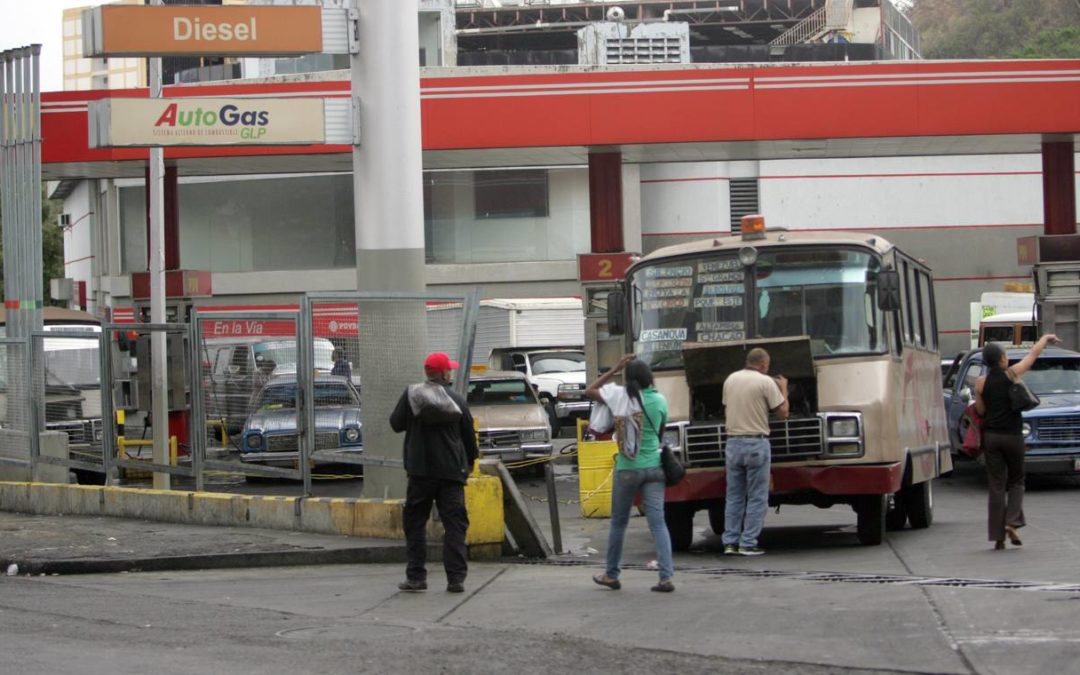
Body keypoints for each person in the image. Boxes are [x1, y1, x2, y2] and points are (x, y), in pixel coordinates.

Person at [389, 351, 479, 593]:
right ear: (444, 373)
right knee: (455, 524)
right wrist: (469, 462)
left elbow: (395, 424)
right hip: (451, 472)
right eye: (449, 369)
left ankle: (416, 577)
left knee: (415, 523)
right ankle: (456, 579)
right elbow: (469, 438)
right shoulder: (457, 400)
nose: (451, 372)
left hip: (420, 471)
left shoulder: (412, 395)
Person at [586, 354, 675, 593]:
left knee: (619, 523)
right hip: (655, 468)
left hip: (627, 468)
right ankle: (665, 577)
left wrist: (615, 367)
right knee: (658, 524)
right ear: (649, 378)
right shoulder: (660, 400)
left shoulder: (619, 397)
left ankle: (611, 574)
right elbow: (661, 431)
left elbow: (590, 390)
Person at [975, 334, 1057, 550]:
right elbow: (1033, 355)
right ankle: (1012, 522)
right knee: (1017, 480)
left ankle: (997, 536)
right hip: (1012, 435)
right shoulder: (1012, 374)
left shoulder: (980, 383)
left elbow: (980, 411)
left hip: (991, 438)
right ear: (1002, 359)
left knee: (996, 485)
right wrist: (1045, 338)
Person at [720, 347, 788, 556]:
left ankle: (730, 542)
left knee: (734, 496)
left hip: (732, 444)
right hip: (755, 443)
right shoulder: (765, 382)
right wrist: (783, 388)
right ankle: (748, 543)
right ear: (764, 365)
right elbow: (783, 413)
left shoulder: (730, 380)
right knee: (757, 497)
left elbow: (726, 406)